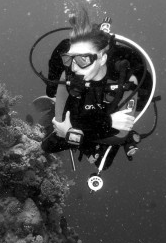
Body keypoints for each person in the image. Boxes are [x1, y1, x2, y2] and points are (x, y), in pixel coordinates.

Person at [41, 9, 142, 169]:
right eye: (70, 58)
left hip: (95, 119)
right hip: (99, 123)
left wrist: (73, 132)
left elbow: (119, 135)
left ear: (103, 58)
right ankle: (85, 144)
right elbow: (60, 124)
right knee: (47, 146)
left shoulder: (125, 79)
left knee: (103, 164)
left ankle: (86, 143)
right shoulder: (67, 75)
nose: (74, 67)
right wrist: (108, 122)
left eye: (83, 59)